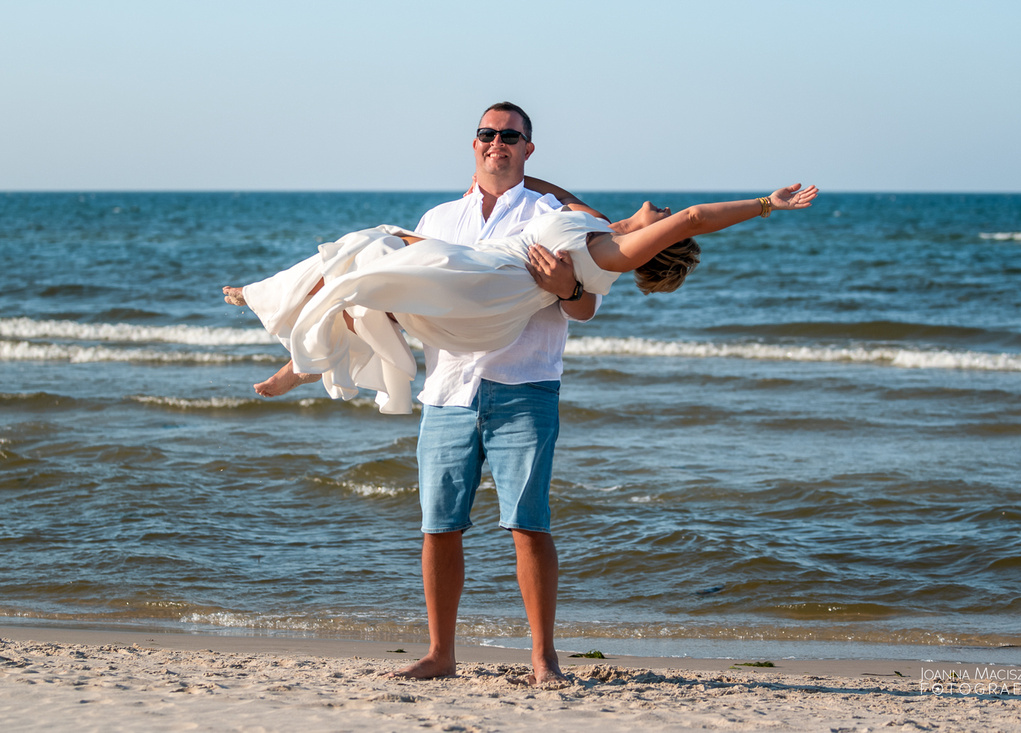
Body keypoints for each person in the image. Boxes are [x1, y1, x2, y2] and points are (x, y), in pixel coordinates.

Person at [224, 102, 817, 685]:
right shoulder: (457, 216)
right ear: (477, 143)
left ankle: (543, 657)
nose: (496, 142)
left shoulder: (580, 228)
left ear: (528, 147)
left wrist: (767, 204)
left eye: (509, 136)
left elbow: (604, 290)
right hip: (450, 384)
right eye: (487, 134)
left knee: (528, 526)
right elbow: (435, 281)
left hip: (522, 379)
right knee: (436, 516)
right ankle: (439, 653)